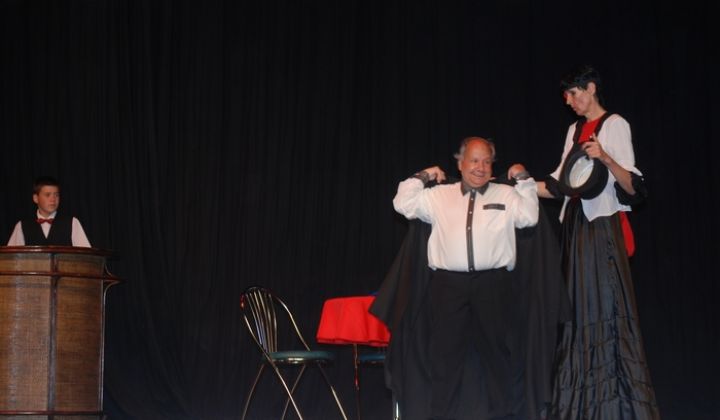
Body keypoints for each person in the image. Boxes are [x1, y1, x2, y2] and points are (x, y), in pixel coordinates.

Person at [534, 65, 660, 419]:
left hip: (602, 226)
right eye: (566, 96)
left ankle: (616, 408)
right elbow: (559, 184)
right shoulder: (573, 131)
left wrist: (604, 156)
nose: (569, 102)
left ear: (591, 88)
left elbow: (633, 187)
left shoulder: (615, 124)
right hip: (575, 227)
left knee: (606, 310)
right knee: (575, 314)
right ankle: (580, 407)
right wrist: (517, 187)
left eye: (574, 93)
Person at [392, 137, 539, 419]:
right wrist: (425, 175)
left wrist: (524, 179)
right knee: (444, 358)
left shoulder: (506, 195)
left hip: (492, 284)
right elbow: (402, 202)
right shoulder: (439, 195)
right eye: (474, 160)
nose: (480, 167)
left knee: (497, 356)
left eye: (486, 161)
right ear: (460, 163)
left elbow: (530, 217)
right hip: (448, 286)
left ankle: (503, 417)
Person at [6, 176, 91, 247]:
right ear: (35, 198)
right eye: (47, 195)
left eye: (56, 195)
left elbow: (86, 255)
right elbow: (12, 258)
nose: (53, 199)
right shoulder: (22, 226)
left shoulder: (72, 223)